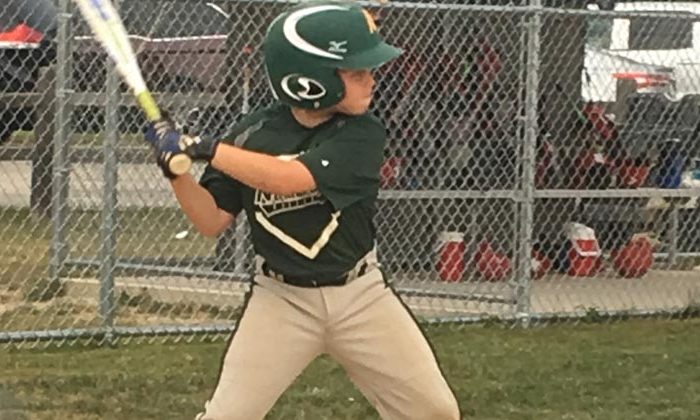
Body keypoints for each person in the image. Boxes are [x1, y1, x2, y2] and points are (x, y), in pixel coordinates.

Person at [144, 2, 460, 419]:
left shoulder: (363, 133)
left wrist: (202, 148)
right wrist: (176, 172)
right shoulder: (251, 134)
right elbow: (210, 220)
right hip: (281, 301)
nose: (371, 81)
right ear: (309, 81)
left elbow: (288, 179)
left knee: (435, 412)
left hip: (360, 296)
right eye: (356, 72)